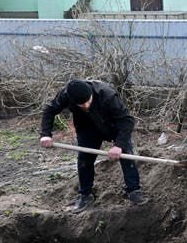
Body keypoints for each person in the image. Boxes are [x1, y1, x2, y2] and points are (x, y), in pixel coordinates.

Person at [40, 79, 147, 213]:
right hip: (87, 127)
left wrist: (118, 145)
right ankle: (85, 195)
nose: (85, 105)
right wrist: (45, 134)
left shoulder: (107, 94)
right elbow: (49, 110)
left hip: (114, 125)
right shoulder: (66, 95)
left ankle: (134, 191)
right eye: (81, 104)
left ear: (91, 93)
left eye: (88, 101)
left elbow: (127, 121)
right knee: (84, 160)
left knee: (127, 155)